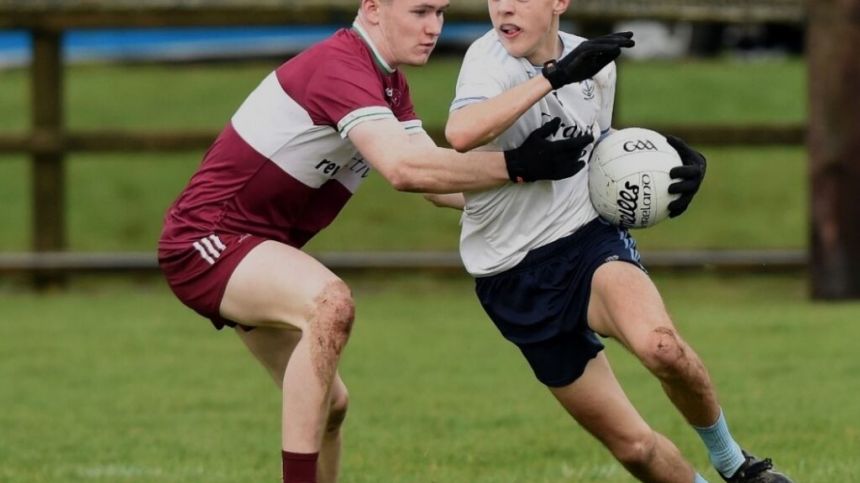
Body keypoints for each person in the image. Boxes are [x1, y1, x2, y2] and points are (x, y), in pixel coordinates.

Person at [155, 0, 617, 482]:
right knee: (329, 304)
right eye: (419, 12)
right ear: (373, 9)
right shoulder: (341, 67)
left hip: (260, 250)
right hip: (208, 242)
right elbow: (404, 170)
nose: (433, 27)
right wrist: (516, 165)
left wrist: (559, 190)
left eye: (439, 12)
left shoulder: (388, 83)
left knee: (332, 406)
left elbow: (437, 180)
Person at [428, 1, 794, 482]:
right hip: (512, 278)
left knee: (663, 349)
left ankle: (734, 464)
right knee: (636, 448)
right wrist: (554, 77)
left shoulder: (592, 63)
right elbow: (461, 133)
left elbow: (601, 155)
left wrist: (666, 174)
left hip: (587, 243)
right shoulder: (487, 60)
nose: (505, 8)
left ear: (559, 2)